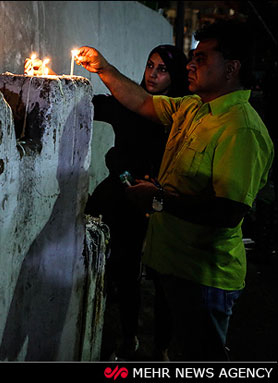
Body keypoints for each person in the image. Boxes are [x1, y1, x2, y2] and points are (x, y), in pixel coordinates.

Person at [77, 19, 274, 361]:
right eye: (192, 58)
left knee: (203, 360)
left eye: (202, 58)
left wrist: (157, 199)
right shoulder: (193, 108)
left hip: (204, 277)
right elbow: (140, 101)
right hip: (173, 264)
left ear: (232, 68)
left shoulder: (240, 129)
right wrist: (102, 67)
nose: (191, 65)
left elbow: (228, 211)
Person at [84, 44, 189, 360]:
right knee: (123, 268)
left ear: (176, 76)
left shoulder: (180, 114)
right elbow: (90, 105)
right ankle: (127, 336)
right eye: (150, 66)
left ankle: (162, 348)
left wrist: (156, 191)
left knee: (162, 276)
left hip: (160, 199)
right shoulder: (127, 103)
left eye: (162, 69)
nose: (153, 74)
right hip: (121, 194)